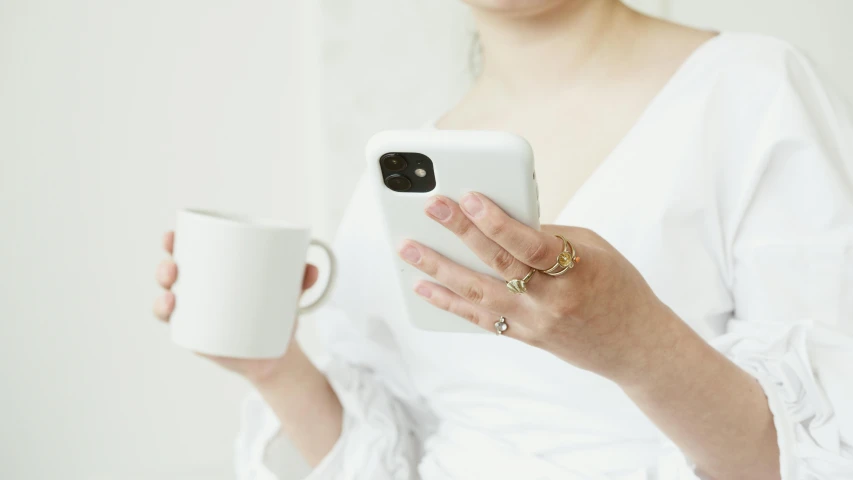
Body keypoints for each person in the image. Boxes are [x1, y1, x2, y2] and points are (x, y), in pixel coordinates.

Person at [153, 1, 853, 479]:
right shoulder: (396, 182)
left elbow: (813, 456)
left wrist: (637, 344)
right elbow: (379, 458)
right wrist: (271, 367)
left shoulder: (747, 91)